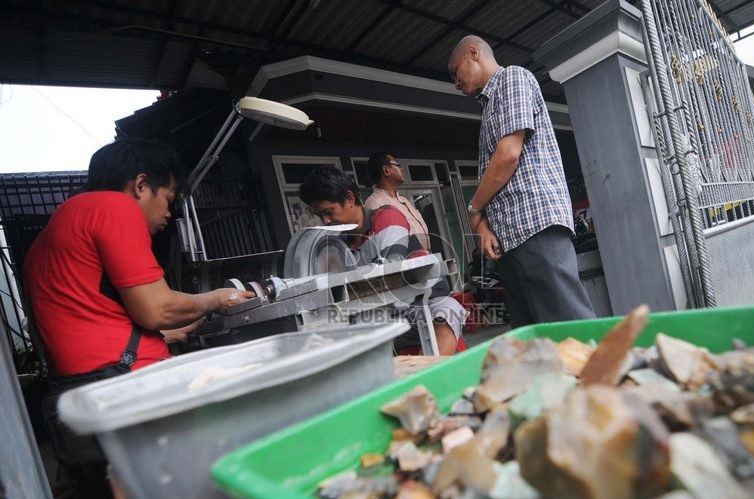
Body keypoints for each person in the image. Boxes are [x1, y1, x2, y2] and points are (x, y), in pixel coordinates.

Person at [24, 138, 254, 381]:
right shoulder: (114, 206)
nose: (168, 213)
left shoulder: (59, 227)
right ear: (141, 185)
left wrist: (169, 333)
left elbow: (91, 321)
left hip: (92, 380)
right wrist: (217, 298)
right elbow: (158, 309)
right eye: (168, 198)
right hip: (128, 379)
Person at [447, 35, 595, 327]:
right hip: (510, 238)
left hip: (534, 227)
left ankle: (600, 374)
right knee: (532, 335)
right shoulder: (488, 106)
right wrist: (485, 228)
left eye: (455, 71)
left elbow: (508, 156)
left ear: (473, 53)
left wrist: (474, 208)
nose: (455, 82)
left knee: (568, 324)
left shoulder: (512, 78)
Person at [299, 166, 467, 355]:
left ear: (350, 198)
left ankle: (420, 378)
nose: (326, 221)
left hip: (419, 306)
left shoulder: (387, 217)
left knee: (448, 310)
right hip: (384, 316)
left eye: (329, 211)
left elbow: (389, 268)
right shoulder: (338, 246)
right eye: (320, 215)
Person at [364, 152, 431, 252]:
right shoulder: (374, 203)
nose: (402, 169)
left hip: (424, 258)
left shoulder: (403, 200)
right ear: (386, 170)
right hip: (405, 263)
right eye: (397, 165)